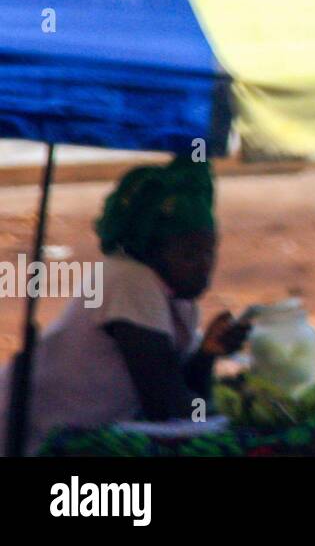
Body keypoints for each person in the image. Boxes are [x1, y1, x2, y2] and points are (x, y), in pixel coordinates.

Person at [0, 156, 249, 456]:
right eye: (189, 255)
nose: (204, 266)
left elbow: (176, 392)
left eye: (210, 252)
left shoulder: (175, 297)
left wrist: (208, 353)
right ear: (153, 251)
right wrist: (231, 420)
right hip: (41, 441)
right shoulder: (129, 281)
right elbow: (166, 407)